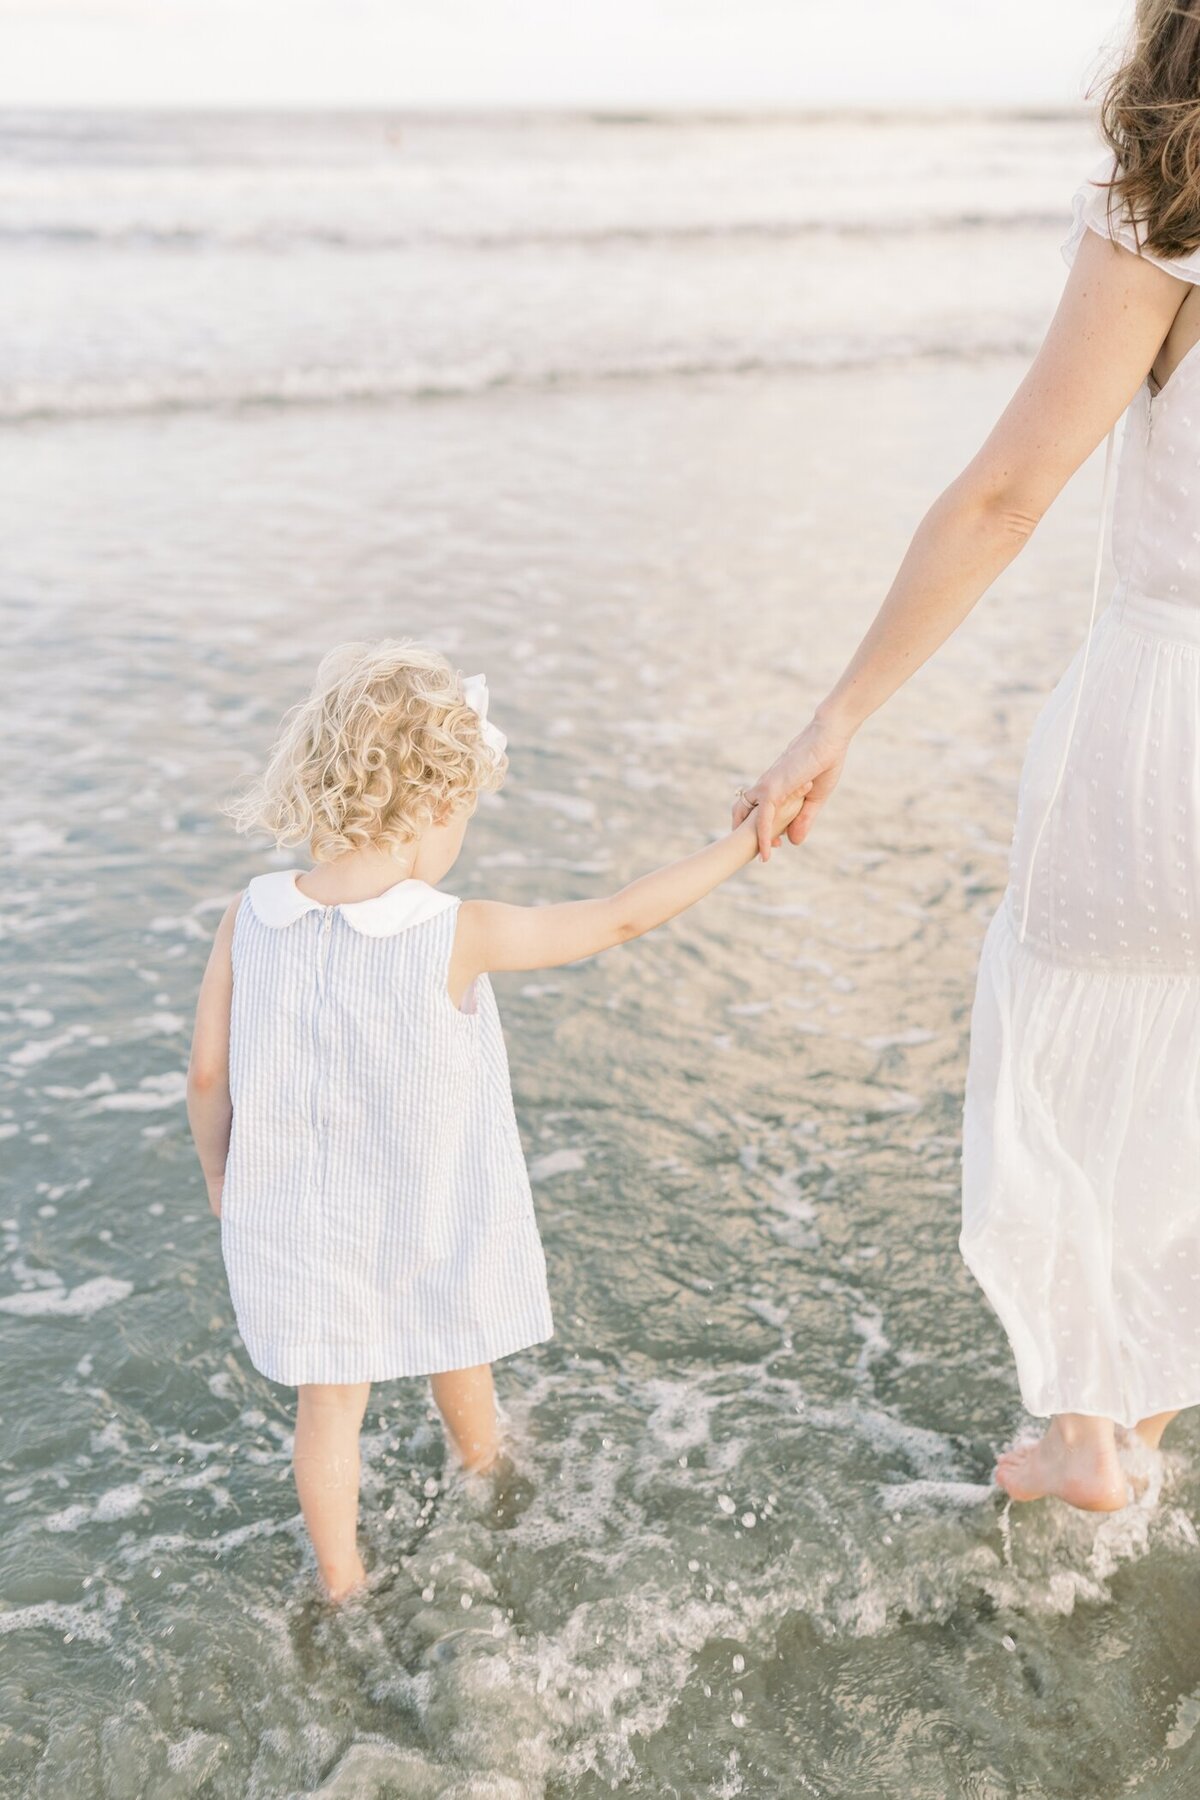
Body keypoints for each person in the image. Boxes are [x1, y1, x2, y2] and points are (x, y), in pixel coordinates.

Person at [735, 1, 1200, 1511]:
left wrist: (840, 712)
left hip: (1160, 721)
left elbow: (1009, 495)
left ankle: (1086, 1438)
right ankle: (1147, 1420)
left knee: (1075, 1050)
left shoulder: (1168, 213)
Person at [187, 640, 805, 1602]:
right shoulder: (453, 929)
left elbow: (206, 1073)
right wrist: (742, 842)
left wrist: (223, 1177)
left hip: (304, 1219)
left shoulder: (251, 916)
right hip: (427, 1206)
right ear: (435, 806)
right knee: (455, 1325)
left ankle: (341, 1582)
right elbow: (619, 918)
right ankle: (486, 1465)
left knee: (329, 1406)